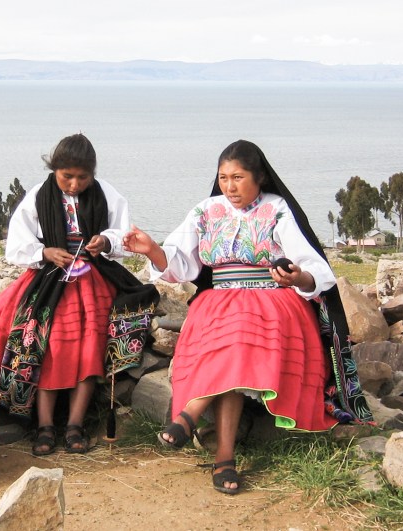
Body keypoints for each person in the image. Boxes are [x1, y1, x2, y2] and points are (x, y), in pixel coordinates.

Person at [123, 140, 372, 495]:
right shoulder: (205, 211)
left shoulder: (277, 209)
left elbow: (312, 265)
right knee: (232, 346)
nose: (229, 186)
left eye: (238, 177)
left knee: (238, 339)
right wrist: (152, 249)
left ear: (259, 177)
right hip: (219, 300)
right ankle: (223, 457)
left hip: (272, 301)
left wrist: (296, 276)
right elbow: (182, 264)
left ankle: (191, 418)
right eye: (223, 177)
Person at [0, 133, 159, 456]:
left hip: (92, 280)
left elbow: (122, 233)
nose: (73, 184)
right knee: (47, 345)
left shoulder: (107, 195)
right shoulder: (37, 197)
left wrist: (106, 242)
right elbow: (17, 242)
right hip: (48, 280)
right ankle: (44, 425)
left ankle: (75, 424)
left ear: (93, 174)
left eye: (82, 178)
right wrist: (45, 253)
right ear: (53, 169)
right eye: (66, 177)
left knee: (90, 348)